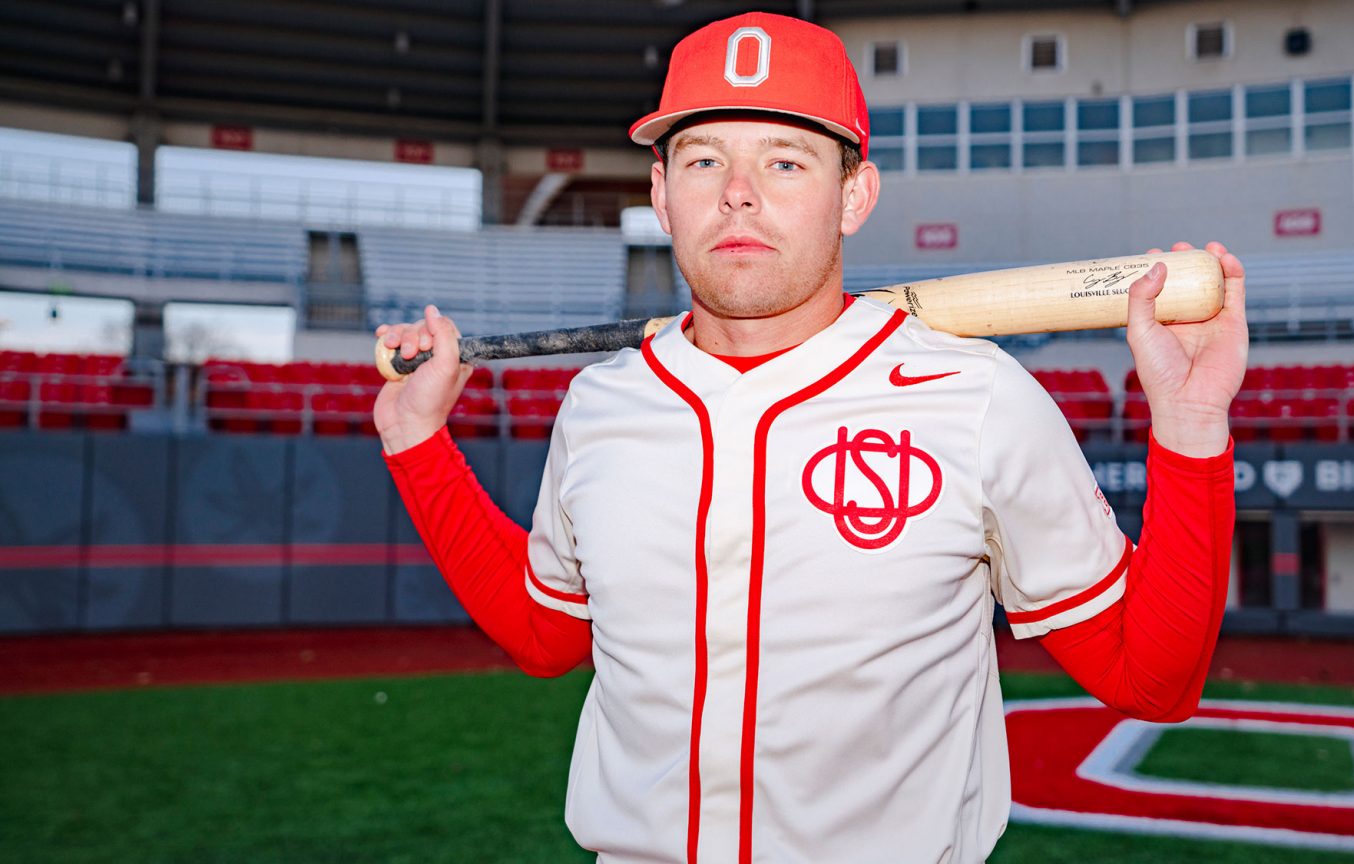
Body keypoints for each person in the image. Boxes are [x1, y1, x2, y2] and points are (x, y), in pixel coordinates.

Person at [373, 11, 1245, 864]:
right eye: (703, 158)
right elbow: (545, 634)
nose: (738, 191)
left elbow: (1150, 677)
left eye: (785, 160)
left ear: (854, 195)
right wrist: (420, 448)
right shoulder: (601, 405)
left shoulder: (975, 398)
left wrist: (1192, 427)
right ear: (660, 194)